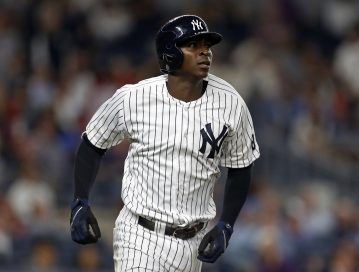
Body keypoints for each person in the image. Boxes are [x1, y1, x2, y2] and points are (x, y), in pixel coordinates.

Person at [69, 14, 260, 271]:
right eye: (193, 45)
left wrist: (226, 224)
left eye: (207, 45)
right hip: (140, 235)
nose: (205, 52)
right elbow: (92, 144)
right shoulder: (134, 98)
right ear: (170, 52)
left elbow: (241, 166)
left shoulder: (231, 103)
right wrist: (80, 202)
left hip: (194, 243)